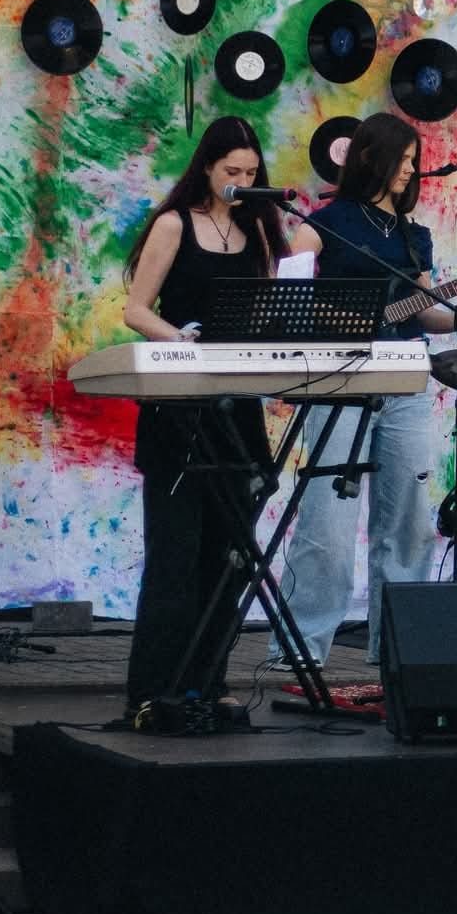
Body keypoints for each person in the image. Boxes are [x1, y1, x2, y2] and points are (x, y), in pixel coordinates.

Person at [273, 112, 457, 669]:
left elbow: (425, 314)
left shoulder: (415, 236)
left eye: (415, 160)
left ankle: (397, 649)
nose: (411, 169)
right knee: (327, 519)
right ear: (371, 156)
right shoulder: (323, 223)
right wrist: (339, 319)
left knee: (408, 520)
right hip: (339, 380)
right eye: (404, 158)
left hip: (407, 381)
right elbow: (291, 298)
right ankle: (299, 650)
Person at [120, 115, 288, 722]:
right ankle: (153, 690)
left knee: (228, 554)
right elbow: (136, 310)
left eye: (251, 172)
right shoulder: (174, 223)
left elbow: (265, 305)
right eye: (230, 171)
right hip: (179, 404)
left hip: (234, 406)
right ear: (208, 168)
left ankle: (208, 683)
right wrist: (180, 340)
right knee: (176, 551)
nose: (240, 180)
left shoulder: (257, 228)